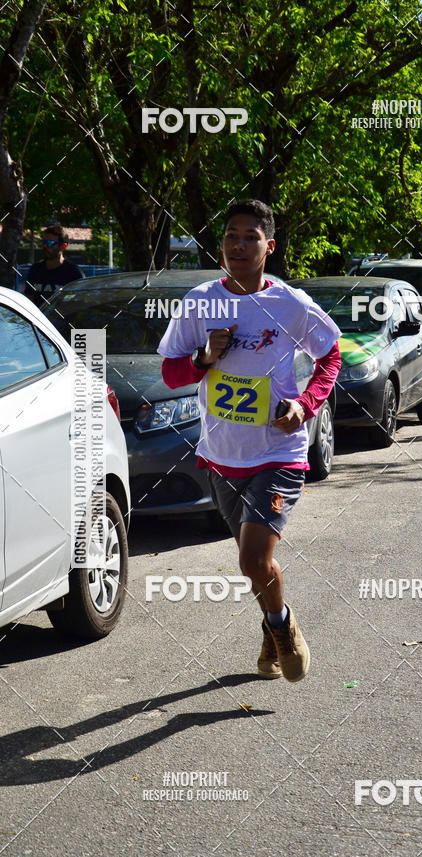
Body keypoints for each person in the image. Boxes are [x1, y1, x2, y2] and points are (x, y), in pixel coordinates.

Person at [158, 199, 341, 682]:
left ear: (269, 246)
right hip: (221, 456)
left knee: (252, 558)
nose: (238, 245)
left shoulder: (290, 304)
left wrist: (305, 405)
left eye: (250, 237)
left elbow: (331, 356)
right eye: (231, 236)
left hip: (278, 452)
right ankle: (272, 623)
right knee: (256, 567)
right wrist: (202, 358)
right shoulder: (200, 302)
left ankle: (283, 629)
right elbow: (171, 372)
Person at [24, 224, 83, 308]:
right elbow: (29, 300)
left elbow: (78, 304)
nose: (45, 246)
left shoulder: (74, 273)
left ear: (63, 246)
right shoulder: (36, 270)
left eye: (50, 243)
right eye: (43, 242)